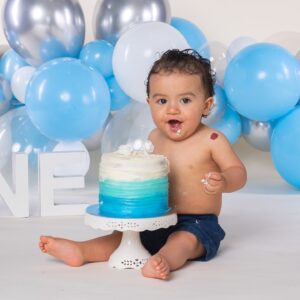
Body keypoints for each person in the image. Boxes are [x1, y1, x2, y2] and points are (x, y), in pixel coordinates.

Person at [39, 49, 247, 280]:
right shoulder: (154, 137)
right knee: (124, 237)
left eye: (185, 100)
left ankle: (163, 261)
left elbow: (238, 172)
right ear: (149, 103)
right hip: (157, 216)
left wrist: (225, 181)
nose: (172, 109)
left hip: (198, 222)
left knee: (183, 241)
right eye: (161, 100)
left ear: (206, 105)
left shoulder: (212, 140)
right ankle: (82, 251)